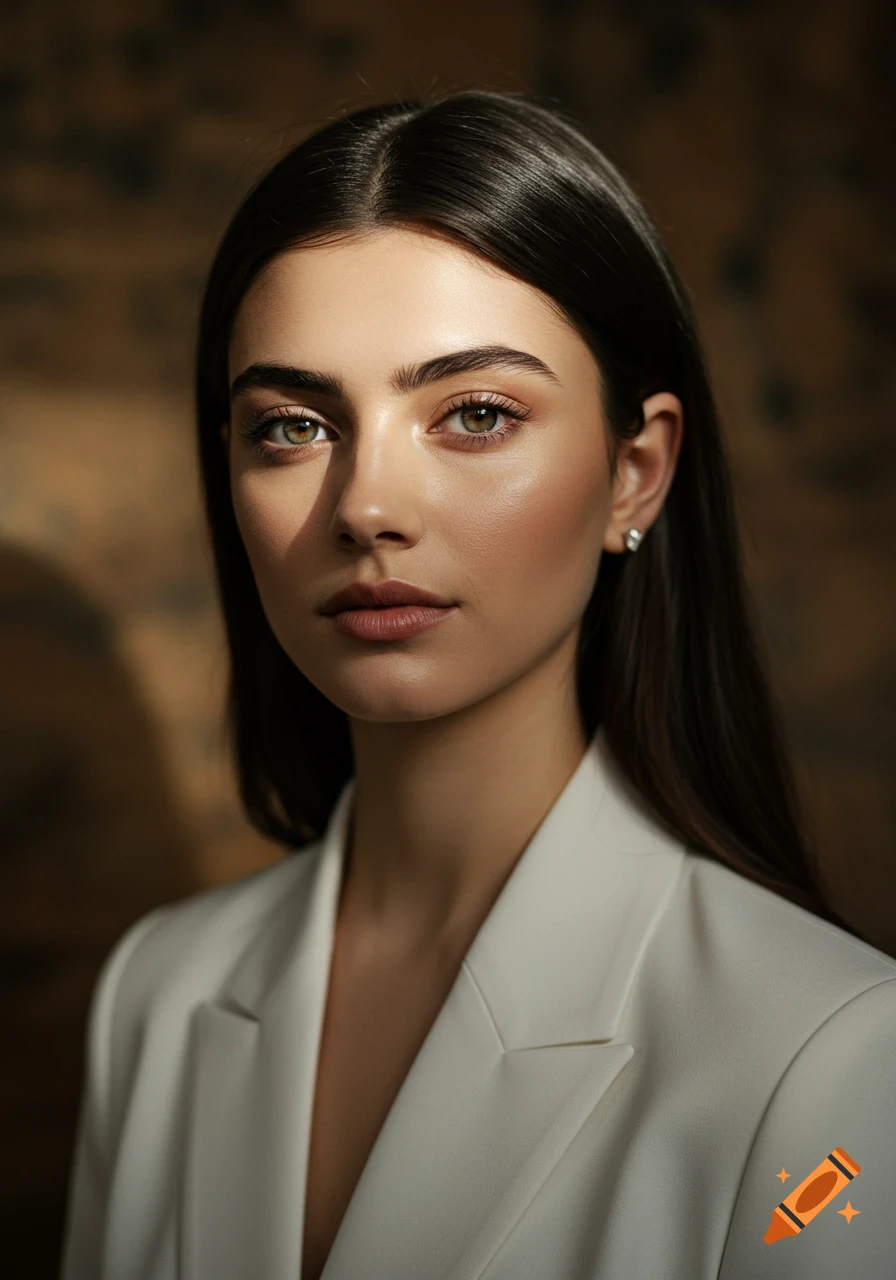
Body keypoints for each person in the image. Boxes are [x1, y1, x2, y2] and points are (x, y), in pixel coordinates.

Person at [59, 88, 896, 1280]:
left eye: (476, 412)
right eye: (292, 427)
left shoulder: (832, 1054)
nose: (364, 507)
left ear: (635, 472)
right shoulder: (156, 991)